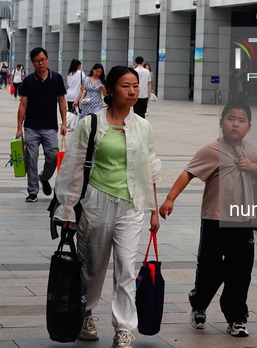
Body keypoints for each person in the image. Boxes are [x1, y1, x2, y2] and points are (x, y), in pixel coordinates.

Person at [54, 65, 161, 348]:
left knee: (126, 267)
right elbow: (73, 168)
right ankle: (86, 313)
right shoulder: (91, 124)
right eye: (126, 86)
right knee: (92, 268)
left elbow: (150, 168)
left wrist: (153, 210)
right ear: (110, 90)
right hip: (96, 202)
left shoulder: (144, 127)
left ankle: (124, 328)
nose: (133, 91)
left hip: (131, 204)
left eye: (136, 86)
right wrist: (66, 209)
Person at [159, 99, 257, 338]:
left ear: (249, 127)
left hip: (243, 221)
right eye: (231, 119)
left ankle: (237, 318)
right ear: (221, 123)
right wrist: (170, 199)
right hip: (214, 218)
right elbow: (188, 173)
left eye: (241, 121)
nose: (235, 124)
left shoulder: (252, 150)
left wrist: (251, 166)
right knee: (211, 267)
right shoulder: (211, 149)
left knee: (241, 272)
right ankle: (199, 301)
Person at [16, 47, 67, 203]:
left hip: (50, 126)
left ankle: (44, 177)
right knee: (31, 158)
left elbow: (62, 101)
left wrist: (64, 122)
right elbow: (23, 104)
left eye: (42, 59)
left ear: (47, 60)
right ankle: (32, 191)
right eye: (37, 60)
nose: (40, 63)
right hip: (31, 126)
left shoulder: (57, 78)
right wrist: (19, 127)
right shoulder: (28, 81)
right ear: (32, 63)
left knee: (52, 156)